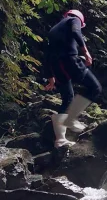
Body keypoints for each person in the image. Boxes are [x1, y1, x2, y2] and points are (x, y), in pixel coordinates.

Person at [43, 10, 102, 148]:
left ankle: (60, 140)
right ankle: (70, 119)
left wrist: (50, 77)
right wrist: (85, 52)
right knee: (95, 88)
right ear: (81, 21)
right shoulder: (73, 20)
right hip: (69, 61)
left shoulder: (54, 29)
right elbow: (76, 32)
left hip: (57, 66)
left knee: (67, 97)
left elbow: (47, 55)